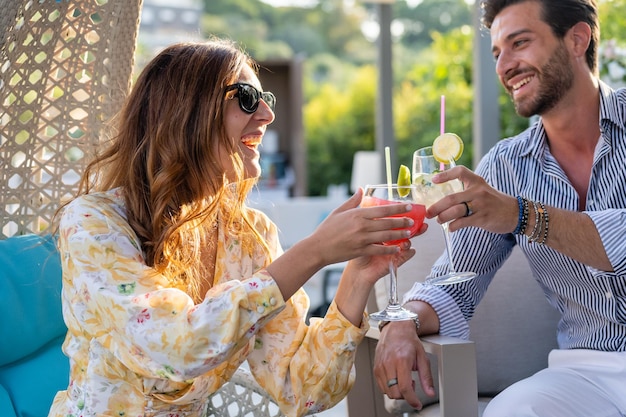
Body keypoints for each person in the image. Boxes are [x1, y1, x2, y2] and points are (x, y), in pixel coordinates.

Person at [48, 38, 424, 417]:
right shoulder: (93, 224)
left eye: (266, 99)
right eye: (246, 97)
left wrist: (357, 276)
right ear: (184, 111)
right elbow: (176, 347)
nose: (266, 115)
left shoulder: (248, 235)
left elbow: (303, 389)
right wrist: (313, 251)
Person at [374, 0, 626, 416]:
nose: (504, 66)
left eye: (519, 43)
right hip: (587, 372)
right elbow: (454, 286)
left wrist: (521, 215)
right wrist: (403, 320)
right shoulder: (506, 166)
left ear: (578, 39)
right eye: (496, 53)